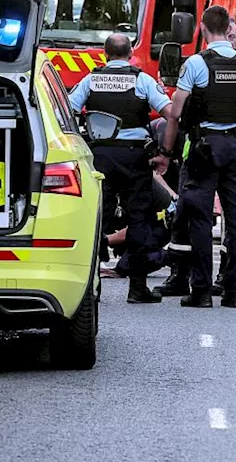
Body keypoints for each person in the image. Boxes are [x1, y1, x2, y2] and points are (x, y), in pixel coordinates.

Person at [152, 6, 236, 308]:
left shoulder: (196, 63)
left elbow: (175, 111)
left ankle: (200, 291)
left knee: (200, 219)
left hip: (203, 148)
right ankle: (235, 292)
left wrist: (166, 150)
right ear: (228, 28)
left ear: (202, 28)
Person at [69, 33, 171, 303]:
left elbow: (68, 110)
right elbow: (169, 112)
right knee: (139, 217)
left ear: (105, 54)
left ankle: (94, 288)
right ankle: (138, 289)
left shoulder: (91, 79)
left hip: (100, 155)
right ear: (129, 55)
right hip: (134, 157)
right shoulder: (142, 80)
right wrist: (164, 152)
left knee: (96, 217)